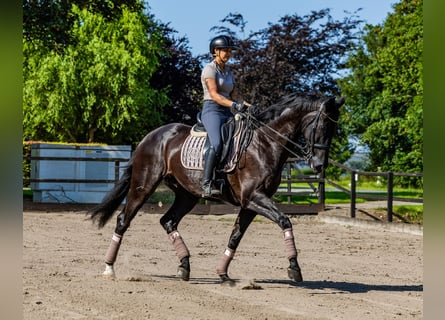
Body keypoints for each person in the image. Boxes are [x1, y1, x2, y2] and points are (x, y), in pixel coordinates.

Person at [200, 35, 253, 198]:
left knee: (240, 139)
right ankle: (206, 183)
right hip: (212, 110)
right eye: (226, 50)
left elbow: (235, 95)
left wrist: (248, 107)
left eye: (230, 51)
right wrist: (233, 105)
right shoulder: (210, 69)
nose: (229, 54)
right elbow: (215, 95)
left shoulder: (228, 71)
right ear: (216, 51)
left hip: (228, 111)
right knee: (216, 144)